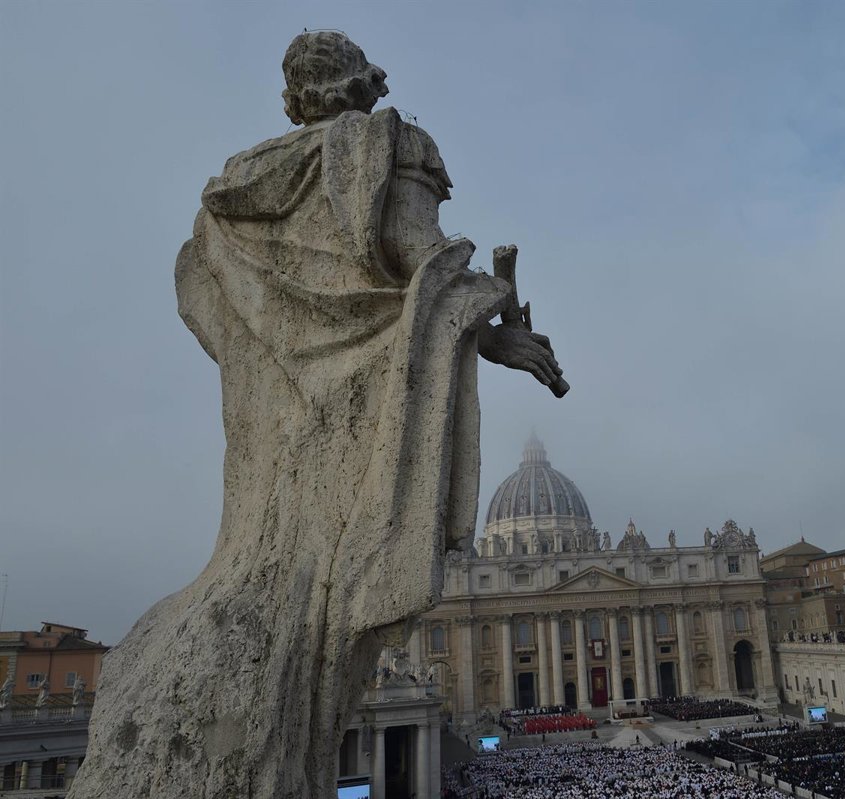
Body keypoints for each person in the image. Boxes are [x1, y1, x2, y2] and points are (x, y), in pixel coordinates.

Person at [71, 31, 562, 799]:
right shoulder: (388, 148)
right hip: (359, 427)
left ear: (294, 98)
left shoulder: (230, 197)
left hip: (278, 428)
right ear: (364, 82)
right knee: (319, 618)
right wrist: (493, 324)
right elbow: (421, 262)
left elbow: (206, 306)